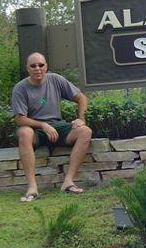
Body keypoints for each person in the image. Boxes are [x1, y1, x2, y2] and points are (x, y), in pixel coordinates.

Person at [11, 52, 92, 202]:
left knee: (85, 132)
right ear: (27, 68)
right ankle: (32, 188)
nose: (38, 69)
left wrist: (81, 119)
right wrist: (43, 125)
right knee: (24, 133)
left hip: (58, 127)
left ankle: (68, 182)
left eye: (41, 65)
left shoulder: (55, 80)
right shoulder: (20, 88)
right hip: (35, 130)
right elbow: (20, 119)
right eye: (33, 66)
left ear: (46, 66)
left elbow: (81, 97)